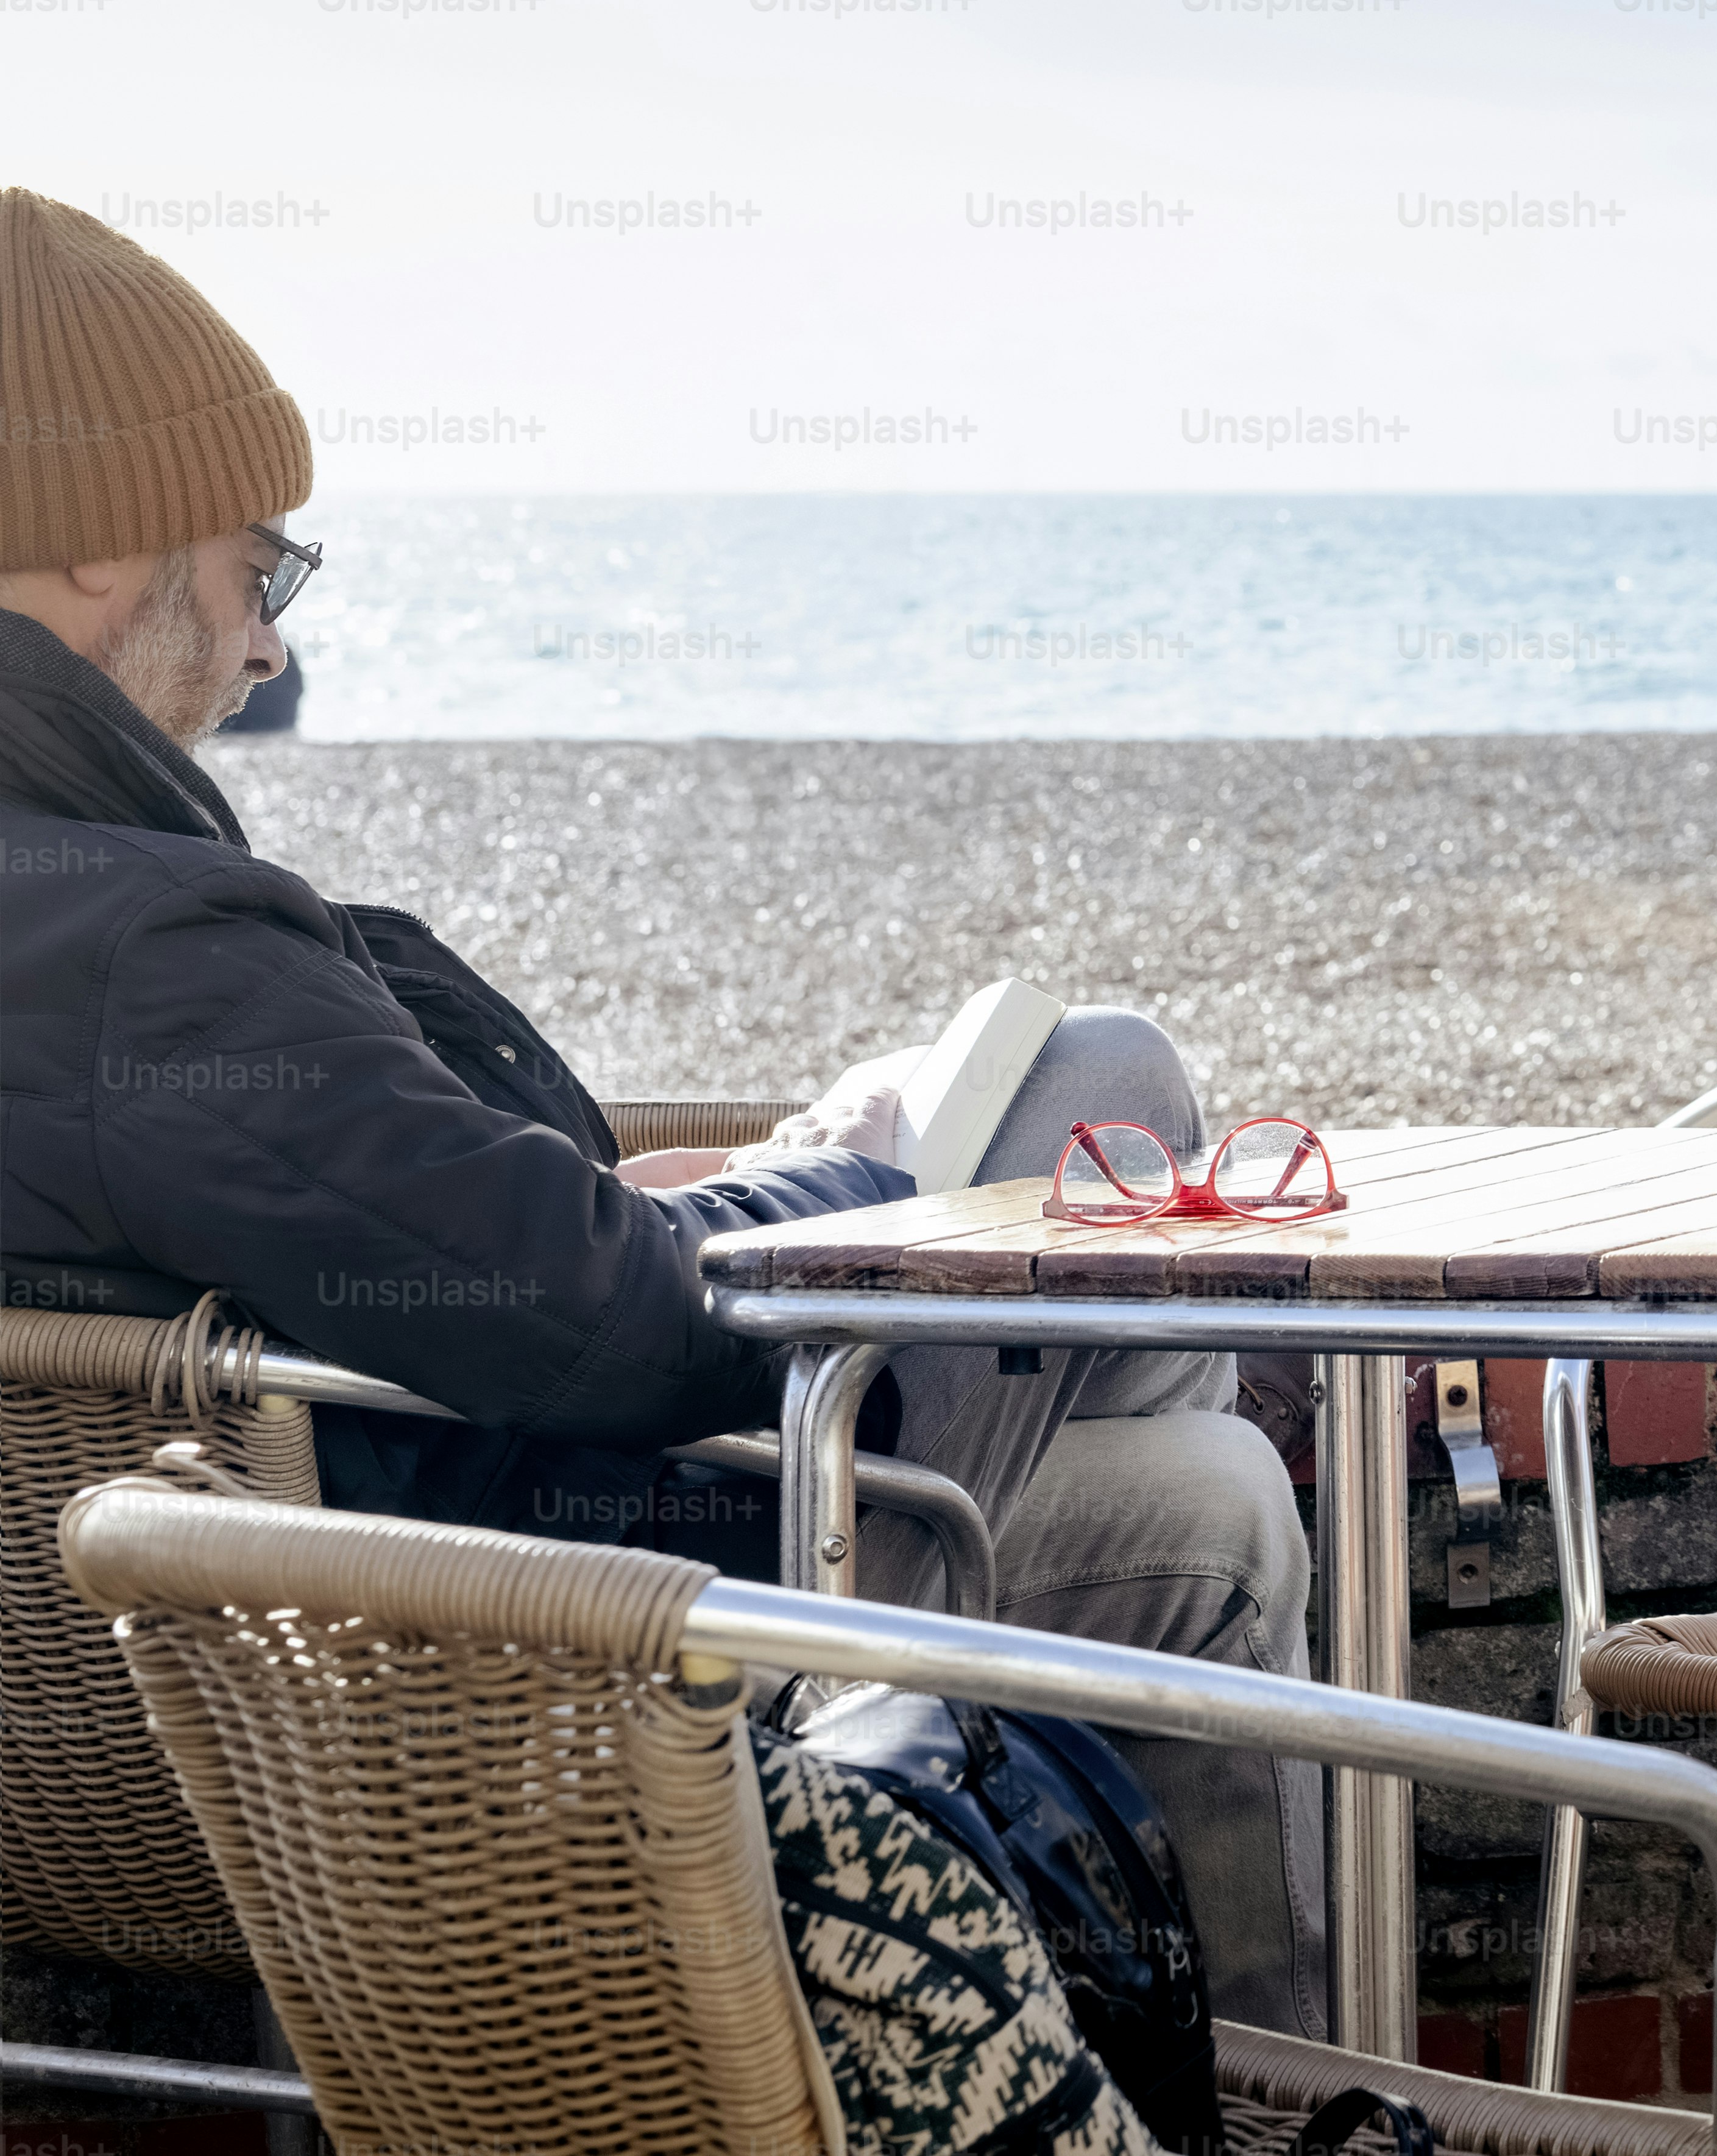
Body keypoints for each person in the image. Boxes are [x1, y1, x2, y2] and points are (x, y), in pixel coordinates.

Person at [0, 187, 1324, 2037]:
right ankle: (1219, 2056)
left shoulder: (88, 907)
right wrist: (860, 1188)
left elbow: (358, 1223)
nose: (270, 649)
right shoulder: (139, 948)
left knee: (1207, 1504)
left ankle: (1253, 2076)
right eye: (259, 567)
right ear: (83, 553)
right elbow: (610, 1320)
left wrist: (607, 1185)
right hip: (504, 1667)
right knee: (1103, 1077)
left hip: (145, 1726)